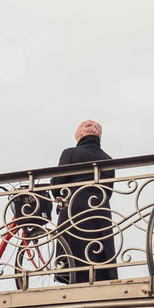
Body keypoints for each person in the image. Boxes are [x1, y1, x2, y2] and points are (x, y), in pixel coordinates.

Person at [54, 121, 120, 284]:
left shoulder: (69, 154)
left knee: (74, 263)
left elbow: (58, 183)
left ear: (78, 136)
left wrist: (57, 196)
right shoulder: (108, 159)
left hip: (74, 213)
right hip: (100, 214)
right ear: (99, 136)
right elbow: (108, 191)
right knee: (98, 265)